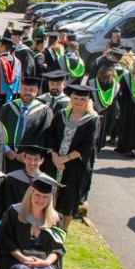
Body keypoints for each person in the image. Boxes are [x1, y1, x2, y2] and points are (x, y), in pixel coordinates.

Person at [48, 84, 99, 231]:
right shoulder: (62, 113)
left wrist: (66, 159)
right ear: (71, 98)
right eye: (75, 98)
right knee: (51, 192)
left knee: (69, 197)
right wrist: (55, 156)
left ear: (87, 101)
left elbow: (88, 144)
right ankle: (49, 223)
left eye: (82, 99)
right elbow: (51, 135)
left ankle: (63, 229)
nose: (78, 102)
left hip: (75, 164)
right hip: (55, 161)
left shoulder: (92, 119)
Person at [0, 76, 53, 173]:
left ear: (37, 91)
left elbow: (43, 137)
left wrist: (28, 154)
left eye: (31, 90)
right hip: (6, 157)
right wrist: (6, 150)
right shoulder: (7, 108)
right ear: (20, 89)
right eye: (25, 89)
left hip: (29, 161)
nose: (28, 92)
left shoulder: (44, 112)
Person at [2, 145, 53, 210]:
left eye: (36, 159)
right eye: (29, 158)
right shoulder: (11, 177)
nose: (32, 162)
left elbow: (48, 206)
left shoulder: (47, 181)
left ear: (41, 161)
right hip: (15, 216)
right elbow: (7, 202)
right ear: (24, 159)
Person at [114, 55, 135, 157]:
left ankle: (124, 147)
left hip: (127, 106)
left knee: (127, 125)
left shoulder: (126, 77)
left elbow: (121, 93)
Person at [87, 61, 121, 152]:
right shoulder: (116, 85)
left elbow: (88, 97)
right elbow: (114, 102)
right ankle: (98, 147)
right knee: (103, 129)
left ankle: (90, 147)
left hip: (93, 109)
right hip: (107, 112)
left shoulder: (92, 82)